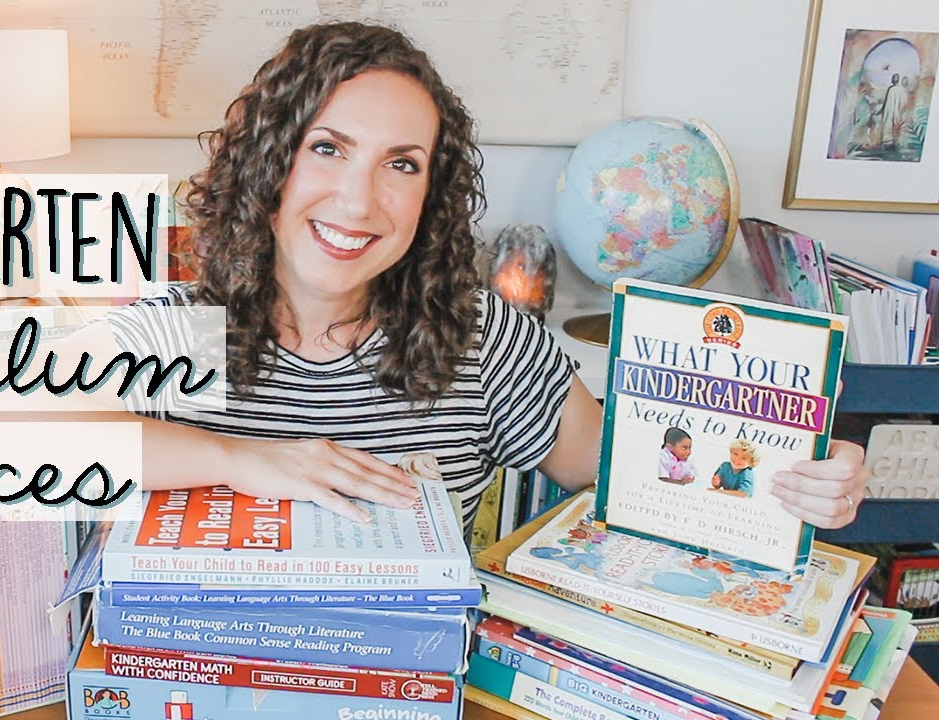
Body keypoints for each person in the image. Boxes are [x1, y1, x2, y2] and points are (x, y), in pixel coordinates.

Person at [111, 21, 869, 534]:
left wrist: (800, 472)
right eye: (327, 148)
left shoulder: (479, 336)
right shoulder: (175, 328)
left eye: (401, 164)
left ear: (429, 196)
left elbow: (628, 468)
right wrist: (244, 460)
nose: (358, 200)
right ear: (267, 164)